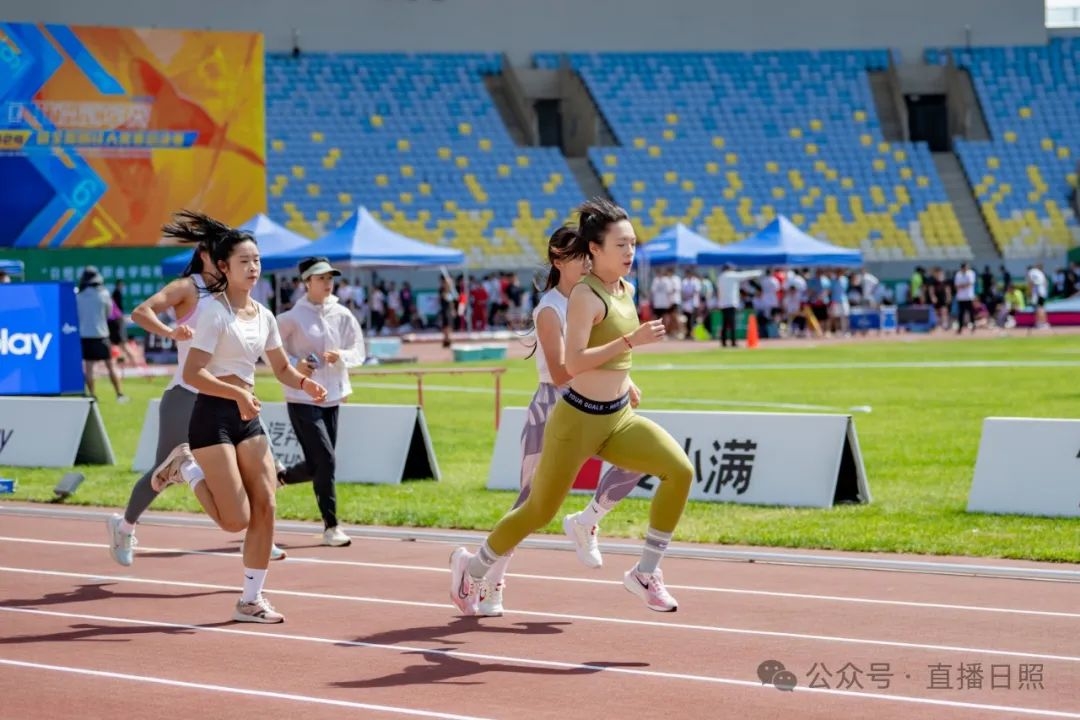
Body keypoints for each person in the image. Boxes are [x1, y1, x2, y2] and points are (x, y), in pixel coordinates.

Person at [449, 198, 693, 615]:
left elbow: (608, 353)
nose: (630, 252)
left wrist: (626, 376)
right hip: (575, 420)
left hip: (617, 417)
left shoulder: (626, 289)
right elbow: (573, 363)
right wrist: (633, 341)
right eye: (621, 244)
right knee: (537, 510)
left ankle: (644, 572)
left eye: (633, 243)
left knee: (680, 470)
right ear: (594, 250)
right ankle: (473, 569)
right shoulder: (584, 295)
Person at [151, 212, 326, 623]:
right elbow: (194, 374)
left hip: (248, 415)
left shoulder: (264, 316)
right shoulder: (213, 312)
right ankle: (187, 467)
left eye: (257, 260)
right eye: (244, 261)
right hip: (212, 414)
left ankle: (251, 599)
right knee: (235, 520)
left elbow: (281, 368)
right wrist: (235, 392)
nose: (253, 267)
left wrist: (304, 384)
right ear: (224, 267)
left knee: (265, 504)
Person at [477, 227, 646, 617]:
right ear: (557, 259)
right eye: (579, 256)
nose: (588, 262)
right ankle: (489, 581)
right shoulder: (549, 309)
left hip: (601, 402)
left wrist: (625, 380)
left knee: (638, 460)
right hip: (555, 406)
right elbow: (560, 369)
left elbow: (597, 352)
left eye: (590, 255)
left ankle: (587, 520)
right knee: (530, 505)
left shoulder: (596, 298)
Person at [106, 223, 288, 567]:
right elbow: (141, 312)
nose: (235, 262)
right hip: (188, 394)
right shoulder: (187, 287)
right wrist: (170, 331)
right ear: (208, 256)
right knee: (162, 471)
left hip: (230, 396)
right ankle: (125, 525)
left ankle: (261, 534)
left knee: (262, 465)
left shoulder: (235, 291)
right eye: (225, 254)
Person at [276, 256, 366, 547]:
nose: (327, 283)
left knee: (319, 465)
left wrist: (341, 356)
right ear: (306, 283)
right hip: (301, 396)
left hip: (333, 397)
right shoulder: (290, 318)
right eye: (321, 278)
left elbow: (358, 351)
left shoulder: (342, 314)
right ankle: (331, 526)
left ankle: (280, 477)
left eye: (330, 278)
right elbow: (269, 350)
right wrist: (294, 363)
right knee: (326, 460)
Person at [75, 266, 129, 403]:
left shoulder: (78, 296)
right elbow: (108, 314)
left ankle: (92, 395)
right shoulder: (104, 294)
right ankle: (119, 394)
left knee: (89, 367)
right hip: (101, 334)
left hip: (85, 335)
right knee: (110, 366)